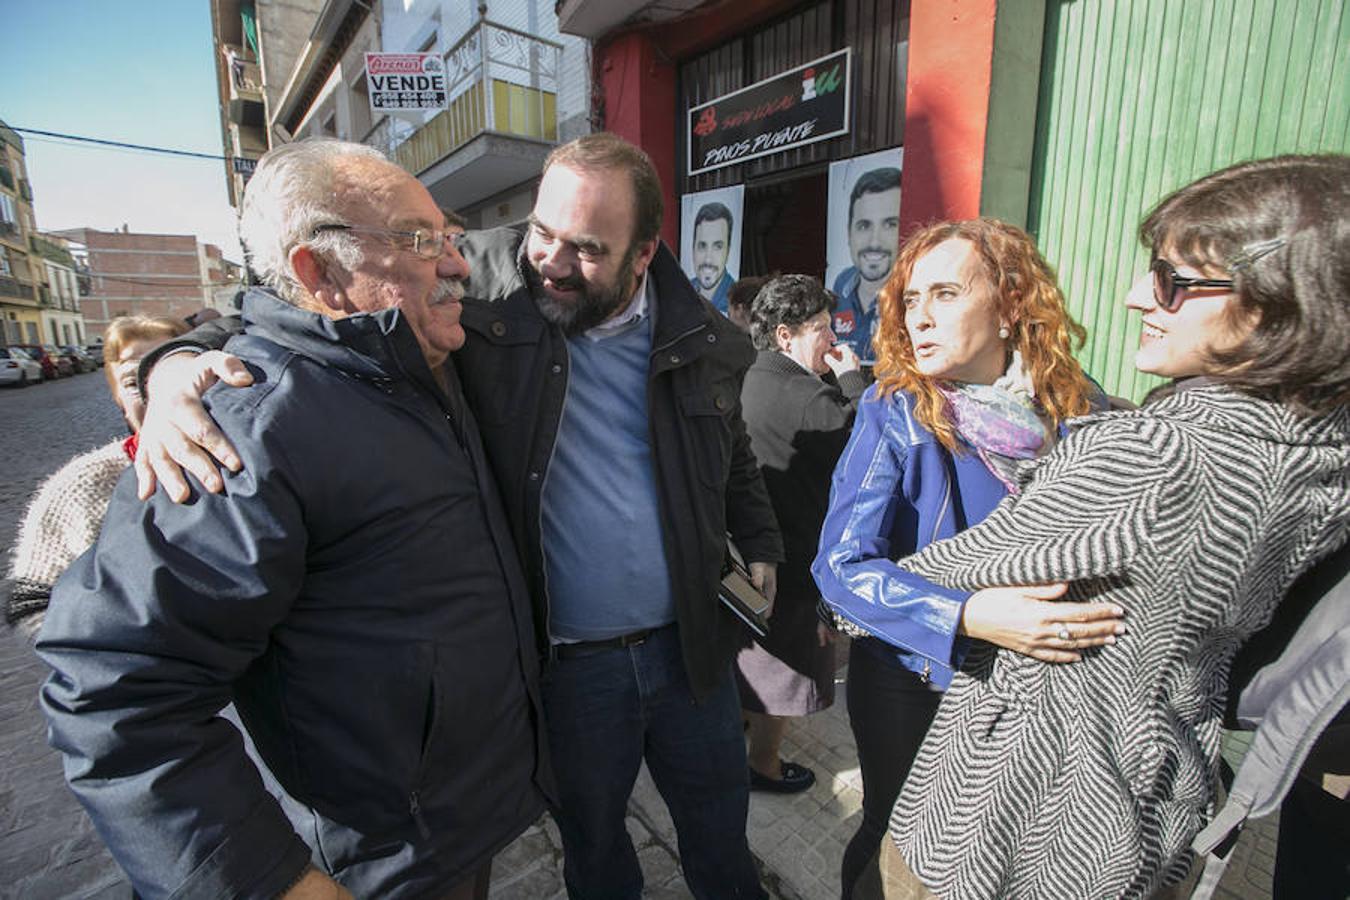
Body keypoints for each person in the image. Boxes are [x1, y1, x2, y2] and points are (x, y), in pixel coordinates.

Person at [130, 132, 784, 900]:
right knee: (599, 856)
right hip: (567, 670)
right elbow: (297, 303)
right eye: (543, 232)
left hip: (691, 653)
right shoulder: (482, 277)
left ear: (643, 256)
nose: (552, 261)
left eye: (587, 248)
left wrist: (762, 541)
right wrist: (172, 367)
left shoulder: (702, 334)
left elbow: (734, 454)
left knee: (720, 840)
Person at [37, 140, 551, 899]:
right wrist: (269, 882)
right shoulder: (245, 433)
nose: (456, 263)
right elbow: (115, 689)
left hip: (458, 825)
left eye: (449, 235)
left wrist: (171, 355)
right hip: (376, 864)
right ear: (319, 273)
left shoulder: (424, 363)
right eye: (417, 239)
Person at [868, 155, 1350, 898]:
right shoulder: (1325, 453)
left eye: (1171, 281)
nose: (1135, 296)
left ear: (1274, 305)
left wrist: (977, 589)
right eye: (909, 299)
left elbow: (932, 574)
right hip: (1159, 808)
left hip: (1010, 829)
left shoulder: (1147, 451)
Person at [812, 218, 1123, 898]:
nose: (918, 318)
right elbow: (839, 569)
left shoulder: (1082, 409)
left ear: (1012, 304)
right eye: (910, 300)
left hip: (1038, 679)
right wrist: (968, 613)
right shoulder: (895, 410)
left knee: (1003, 842)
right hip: (916, 681)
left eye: (945, 294)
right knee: (899, 840)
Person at [738, 275, 864, 794]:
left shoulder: (753, 377)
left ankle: (743, 735)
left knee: (751, 655)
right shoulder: (809, 397)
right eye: (820, 329)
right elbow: (863, 449)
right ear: (785, 336)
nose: (832, 341)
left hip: (750, 551)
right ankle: (762, 766)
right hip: (793, 559)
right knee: (783, 670)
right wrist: (853, 381)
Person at [5, 315, 188, 640]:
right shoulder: (83, 484)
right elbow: (31, 605)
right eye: (133, 382)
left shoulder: (250, 462)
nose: (154, 394)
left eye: (167, 375)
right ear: (117, 395)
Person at [832, 167, 900, 360]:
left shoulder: (912, 295)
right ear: (849, 233)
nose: (874, 242)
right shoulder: (841, 284)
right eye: (864, 226)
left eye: (889, 225)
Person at [689, 201, 736, 314]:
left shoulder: (735, 302)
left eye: (717, 247)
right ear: (693, 248)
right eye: (702, 246)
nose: (708, 259)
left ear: (728, 251)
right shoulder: (683, 290)